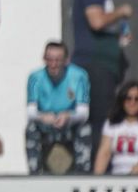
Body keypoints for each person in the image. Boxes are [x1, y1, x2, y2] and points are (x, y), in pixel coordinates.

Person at [72, 0, 131, 165]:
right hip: (94, 67)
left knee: (101, 122)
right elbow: (96, 21)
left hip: (101, 67)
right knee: (99, 124)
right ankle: (98, 174)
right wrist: (121, 12)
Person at [25, 42, 91, 175]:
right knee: (31, 128)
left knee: (84, 128)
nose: (53, 64)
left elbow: (83, 112)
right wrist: (42, 117)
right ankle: (34, 173)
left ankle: (82, 173)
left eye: (58, 60)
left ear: (66, 60)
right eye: (49, 59)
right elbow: (30, 111)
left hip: (69, 124)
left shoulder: (79, 76)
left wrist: (68, 116)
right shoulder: (35, 77)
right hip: (46, 124)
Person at [94, 81, 138, 176]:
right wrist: (97, 179)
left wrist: (131, 178)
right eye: (128, 98)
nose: (132, 102)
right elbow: (104, 152)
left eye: (137, 99)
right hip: (118, 176)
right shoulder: (112, 121)